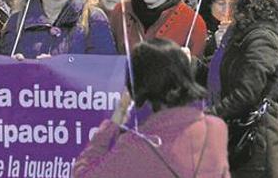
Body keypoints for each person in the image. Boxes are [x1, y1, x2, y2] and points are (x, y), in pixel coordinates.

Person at [74, 38, 230, 178]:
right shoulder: (215, 129)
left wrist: (114, 122)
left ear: (136, 85)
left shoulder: (136, 145)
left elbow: (84, 173)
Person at [210, 0, 278, 177]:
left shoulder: (262, 38)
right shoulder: (250, 33)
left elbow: (247, 94)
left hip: (257, 142)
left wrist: (209, 116)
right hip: (250, 136)